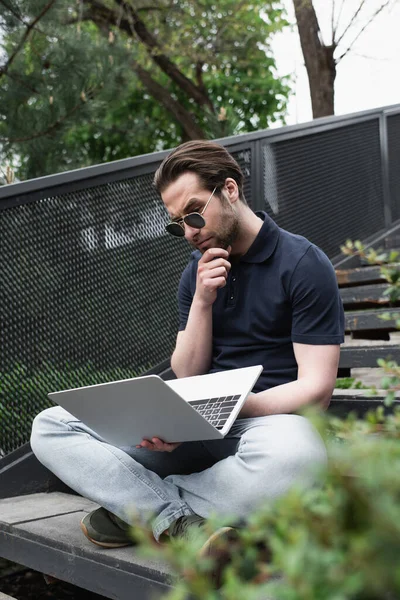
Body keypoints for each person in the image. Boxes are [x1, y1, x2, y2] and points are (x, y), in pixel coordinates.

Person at [30, 140, 344, 556]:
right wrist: (201, 301)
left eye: (195, 213)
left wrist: (235, 406)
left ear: (229, 190)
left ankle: (140, 509)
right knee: (51, 426)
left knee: (298, 460)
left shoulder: (304, 264)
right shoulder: (195, 272)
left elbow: (317, 390)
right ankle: (177, 519)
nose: (190, 231)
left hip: (268, 424)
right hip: (192, 429)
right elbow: (188, 373)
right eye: (177, 224)